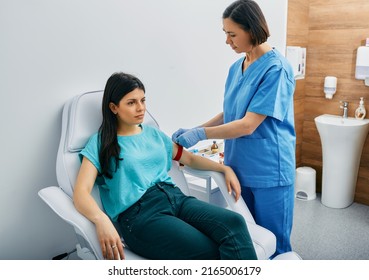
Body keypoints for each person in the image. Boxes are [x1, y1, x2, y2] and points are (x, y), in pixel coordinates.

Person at [73, 72, 257, 260]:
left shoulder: (154, 134)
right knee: (208, 249)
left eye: (143, 100)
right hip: (140, 216)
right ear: (113, 107)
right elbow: (81, 192)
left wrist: (224, 169)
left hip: (175, 198)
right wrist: (100, 219)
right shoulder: (100, 143)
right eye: (131, 103)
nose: (141, 108)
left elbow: (189, 158)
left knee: (234, 222)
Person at [172, 0, 296, 257]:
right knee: (251, 239)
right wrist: (195, 129)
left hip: (270, 170)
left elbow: (248, 124)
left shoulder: (276, 69)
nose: (227, 41)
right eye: (225, 34)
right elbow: (230, 114)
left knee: (275, 244)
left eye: (232, 34)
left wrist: (202, 135)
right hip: (239, 167)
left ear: (251, 29)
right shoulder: (236, 67)